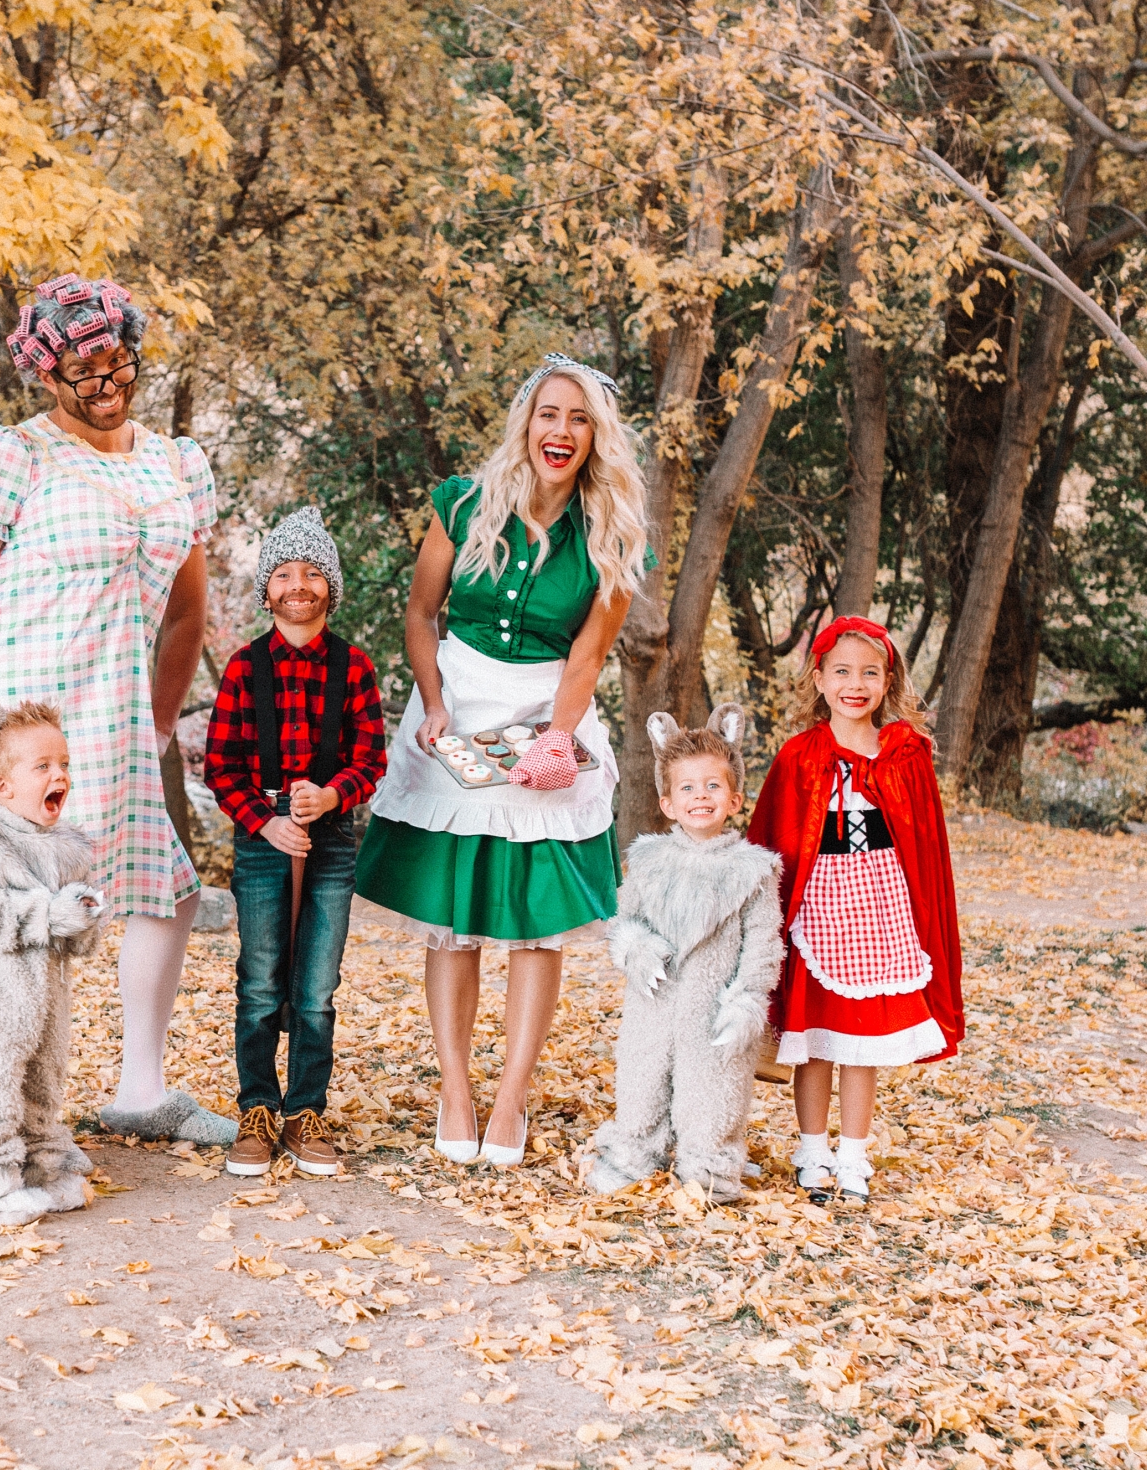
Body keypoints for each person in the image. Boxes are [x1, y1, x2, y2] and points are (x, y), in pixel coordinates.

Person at [0, 274, 236, 1148]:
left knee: (164, 894)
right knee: (15, 923)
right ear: (46, 373)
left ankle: (139, 1090)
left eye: (116, 360)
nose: (103, 380)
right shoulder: (8, 456)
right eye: (80, 366)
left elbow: (187, 612)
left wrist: (157, 725)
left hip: (114, 722)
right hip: (11, 724)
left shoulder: (176, 465)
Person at [354, 352, 652, 1167]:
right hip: (454, 706)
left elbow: (590, 656)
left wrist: (560, 738)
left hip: (546, 710)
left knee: (536, 924)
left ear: (597, 437)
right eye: (549, 414)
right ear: (526, 422)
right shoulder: (462, 504)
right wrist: (435, 701)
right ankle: (456, 1087)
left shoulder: (614, 537)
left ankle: (511, 1096)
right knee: (451, 923)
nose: (560, 431)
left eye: (579, 419)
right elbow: (421, 613)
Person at [747, 615, 964, 1204]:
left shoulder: (907, 756)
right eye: (841, 671)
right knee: (814, 1037)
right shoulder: (798, 757)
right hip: (817, 914)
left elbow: (926, 847)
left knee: (861, 1038)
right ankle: (812, 1148)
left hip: (882, 913)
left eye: (870, 672)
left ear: (887, 680)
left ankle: (854, 1153)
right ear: (818, 679)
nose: (855, 683)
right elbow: (771, 842)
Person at [204, 508, 387, 1177]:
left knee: (315, 985)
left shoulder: (354, 667)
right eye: (285, 572)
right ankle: (257, 1105)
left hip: (331, 839)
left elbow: (371, 758)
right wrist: (267, 820)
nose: (299, 583)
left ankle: (304, 1111)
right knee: (259, 981)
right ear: (268, 589)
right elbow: (219, 768)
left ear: (330, 587)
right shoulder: (243, 668)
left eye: (313, 572)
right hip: (261, 840)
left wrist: (332, 794)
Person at [588, 705, 784, 1199]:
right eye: (688, 788)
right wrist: (636, 949)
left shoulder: (753, 872)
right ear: (668, 803)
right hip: (654, 1004)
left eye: (713, 787)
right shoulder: (650, 861)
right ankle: (633, 1151)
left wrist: (746, 1000)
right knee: (641, 1079)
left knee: (713, 1086)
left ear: (734, 799)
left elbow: (764, 942)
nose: (701, 796)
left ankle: (709, 1162)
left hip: (712, 1007)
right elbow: (623, 921)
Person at [0, 694, 107, 1226]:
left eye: (64, 765)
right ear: (3, 786)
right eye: (43, 766)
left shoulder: (68, 849)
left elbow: (73, 938)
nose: (59, 775)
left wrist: (82, 918)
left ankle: (41, 1167)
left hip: (47, 1000)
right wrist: (47, 914)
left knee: (43, 1080)